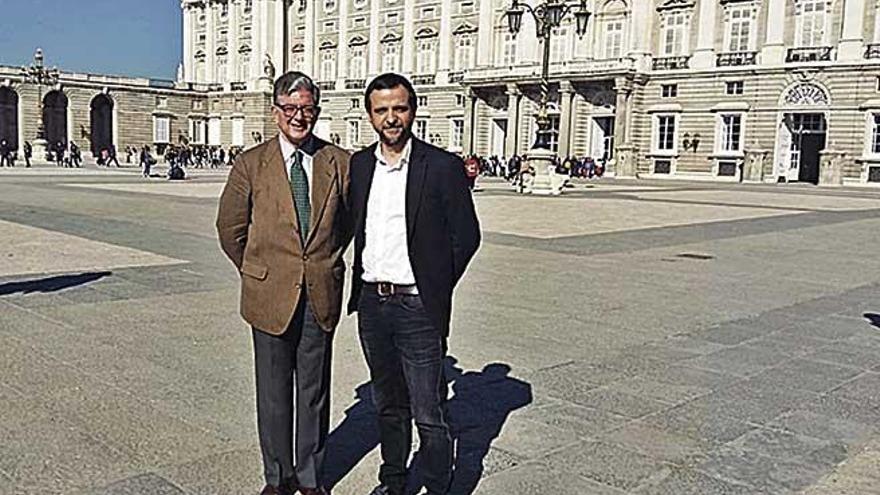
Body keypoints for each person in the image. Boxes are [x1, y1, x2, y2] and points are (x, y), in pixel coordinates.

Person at [216, 71, 353, 495]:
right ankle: (277, 477)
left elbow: (346, 224)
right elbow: (230, 228)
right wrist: (258, 269)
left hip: (319, 291)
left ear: (316, 111)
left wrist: (320, 261)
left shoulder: (338, 161)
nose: (299, 117)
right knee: (273, 393)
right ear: (276, 112)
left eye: (307, 109)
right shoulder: (251, 163)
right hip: (268, 292)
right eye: (291, 109)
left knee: (313, 393)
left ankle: (310, 478)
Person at [347, 73, 481, 495]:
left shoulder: (440, 166)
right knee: (387, 404)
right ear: (370, 115)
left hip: (417, 304)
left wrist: (434, 286)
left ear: (413, 110)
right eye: (382, 110)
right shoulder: (360, 165)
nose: (391, 118)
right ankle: (394, 480)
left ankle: (439, 485)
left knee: (428, 409)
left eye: (399, 108)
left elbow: (467, 236)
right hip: (372, 302)